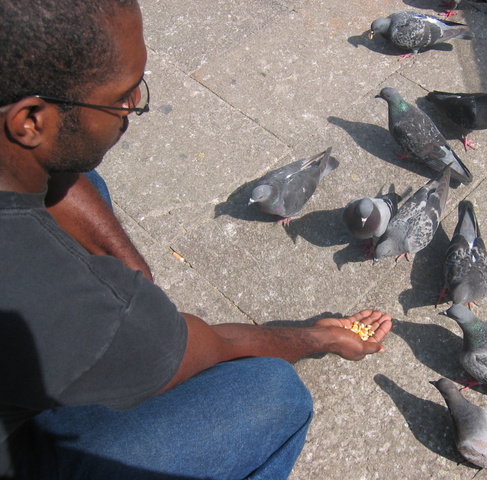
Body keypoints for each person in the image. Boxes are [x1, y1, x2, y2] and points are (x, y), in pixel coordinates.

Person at [0, 1, 393, 479]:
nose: (132, 109)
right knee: (272, 392)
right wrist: (319, 336)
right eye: (121, 97)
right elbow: (211, 347)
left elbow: (56, 166)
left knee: (83, 180)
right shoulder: (58, 304)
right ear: (29, 121)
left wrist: (134, 282)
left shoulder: (18, 132)